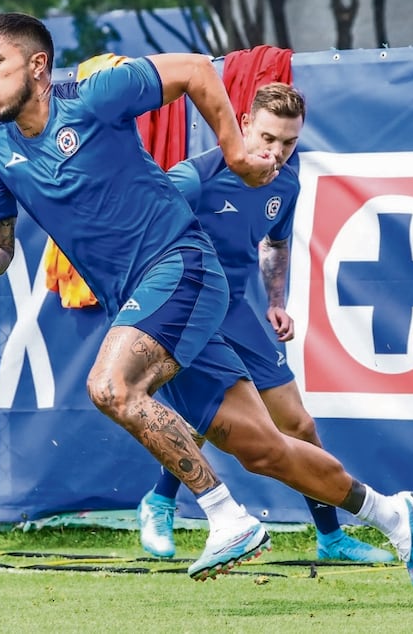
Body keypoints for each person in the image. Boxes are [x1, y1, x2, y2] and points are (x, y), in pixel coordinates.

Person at [0, 12, 413, 596]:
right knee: (267, 450)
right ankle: (390, 514)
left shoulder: (98, 94)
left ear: (38, 66)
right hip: (140, 299)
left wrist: (232, 152)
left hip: (181, 266)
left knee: (110, 386)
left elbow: (197, 71)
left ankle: (226, 518)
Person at [137, 82, 394, 565]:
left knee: (298, 424)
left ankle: (331, 537)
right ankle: (159, 503)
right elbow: (139, 233)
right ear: (244, 123)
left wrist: (276, 301)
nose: (276, 152)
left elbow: (274, 244)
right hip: (188, 308)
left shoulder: (288, 181)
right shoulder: (197, 177)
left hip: (236, 308)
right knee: (212, 419)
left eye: (289, 142)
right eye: (268, 138)